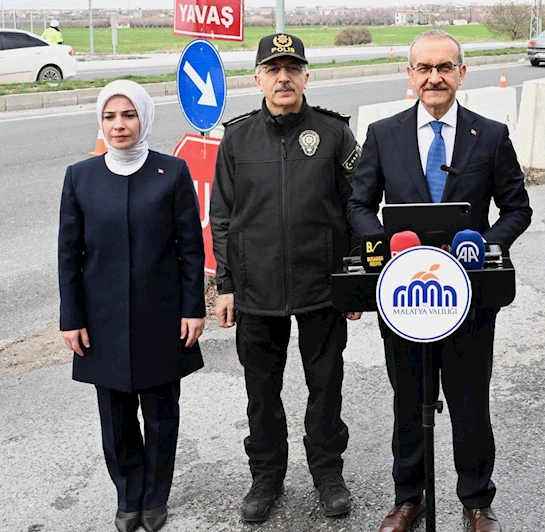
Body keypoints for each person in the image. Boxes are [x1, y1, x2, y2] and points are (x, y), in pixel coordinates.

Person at [348, 29, 532, 532]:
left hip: (469, 298)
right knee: (409, 400)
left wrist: (486, 243)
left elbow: (518, 209)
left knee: (471, 399)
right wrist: (384, 243)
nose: (434, 77)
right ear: (410, 75)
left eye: (444, 67)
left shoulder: (490, 135)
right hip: (404, 296)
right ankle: (409, 498)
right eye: (424, 68)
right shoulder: (383, 134)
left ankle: (476, 501)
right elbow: (359, 204)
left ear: (461, 73)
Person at [209, 33, 362, 524]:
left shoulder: (335, 134)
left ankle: (327, 473)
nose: (283, 77)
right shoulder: (236, 137)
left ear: (306, 76)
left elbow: (356, 207)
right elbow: (223, 217)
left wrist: (355, 277)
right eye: (273, 69)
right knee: (261, 390)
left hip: (322, 286)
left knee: (326, 385)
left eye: (292, 68)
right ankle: (266, 477)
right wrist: (226, 285)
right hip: (255, 290)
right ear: (257, 78)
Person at [58, 80, 206, 532]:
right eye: (109, 116)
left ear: (143, 117)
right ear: (100, 121)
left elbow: (190, 249)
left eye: (128, 115)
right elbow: (69, 252)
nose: (119, 125)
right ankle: (128, 495)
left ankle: (155, 496)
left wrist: (193, 307)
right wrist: (72, 317)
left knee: (162, 414)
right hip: (101, 318)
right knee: (116, 415)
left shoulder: (172, 172)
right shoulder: (80, 176)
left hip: (161, 315)